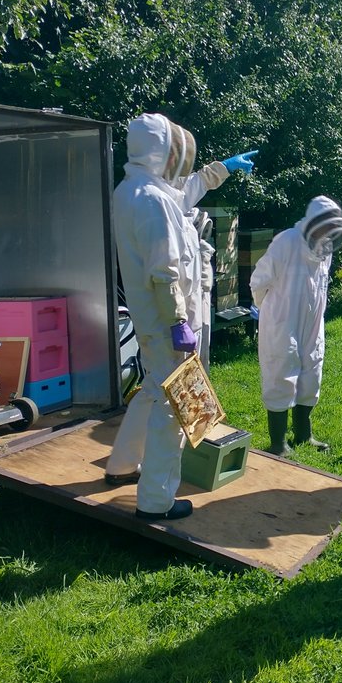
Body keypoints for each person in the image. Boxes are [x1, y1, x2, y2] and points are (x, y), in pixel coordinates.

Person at [104, 112, 257, 521]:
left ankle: (120, 465)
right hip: (167, 321)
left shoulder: (134, 189)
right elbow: (165, 271)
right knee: (173, 406)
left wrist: (222, 169)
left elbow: (185, 191)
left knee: (154, 389)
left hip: (154, 319)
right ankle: (156, 500)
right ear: (160, 151)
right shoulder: (151, 201)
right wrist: (178, 321)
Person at [250, 196, 342, 457]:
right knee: (280, 371)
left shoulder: (325, 248)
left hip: (312, 320)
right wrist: (269, 311)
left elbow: (321, 287)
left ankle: (304, 434)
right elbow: (259, 280)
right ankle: (278, 443)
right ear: (313, 222)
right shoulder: (286, 241)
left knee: (312, 370)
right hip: (282, 319)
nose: (328, 232)